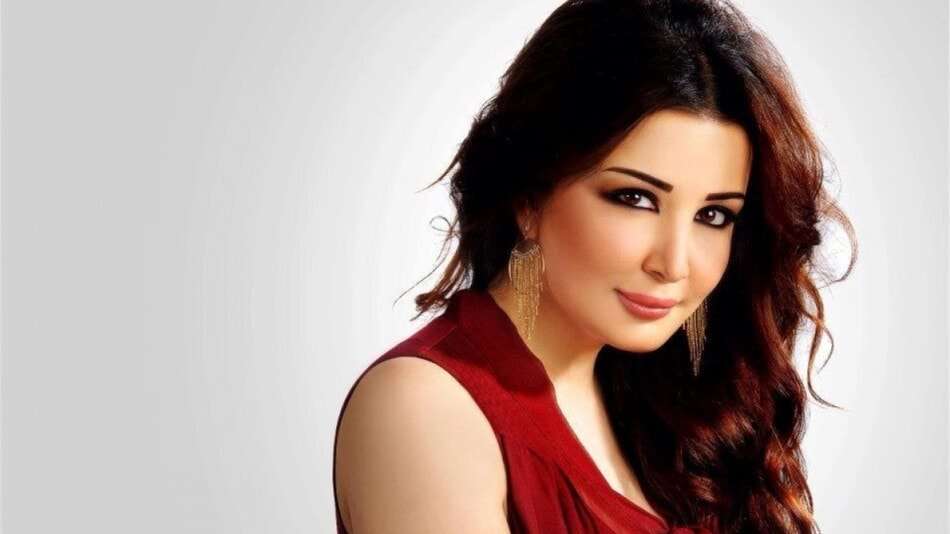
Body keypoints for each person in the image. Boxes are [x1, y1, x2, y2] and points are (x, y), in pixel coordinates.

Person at [333, 0, 857, 532]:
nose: (674, 263)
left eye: (713, 215)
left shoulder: (667, 413)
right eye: (635, 198)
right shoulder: (426, 407)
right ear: (529, 197)